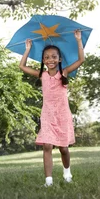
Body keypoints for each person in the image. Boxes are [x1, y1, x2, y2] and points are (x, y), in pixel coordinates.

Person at [19, 30, 85, 187]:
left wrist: (78, 40)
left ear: (59, 58)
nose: (51, 60)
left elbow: (81, 59)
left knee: (63, 148)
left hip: (62, 116)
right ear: (43, 60)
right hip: (48, 116)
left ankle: (67, 172)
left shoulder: (65, 72)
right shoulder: (42, 75)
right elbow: (21, 66)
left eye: (54, 57)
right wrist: (27, 49)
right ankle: (48, 181)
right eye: (47, 57)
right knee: (47, 145)